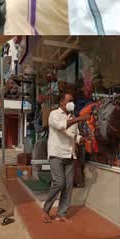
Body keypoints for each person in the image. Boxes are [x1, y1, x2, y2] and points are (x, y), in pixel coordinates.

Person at [43, 93, 88, 223]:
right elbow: (61, 126)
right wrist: (79, 119)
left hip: (70, 154)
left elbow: (75, 135)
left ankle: (61, 214)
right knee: (59, 182)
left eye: (73, 100)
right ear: (62, 102)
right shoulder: (54, 114)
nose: (72, 103)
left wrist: (82, 139)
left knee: (68, 186)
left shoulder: (72, 117)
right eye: (70, 101)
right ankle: (46, 209)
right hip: (56, 153)